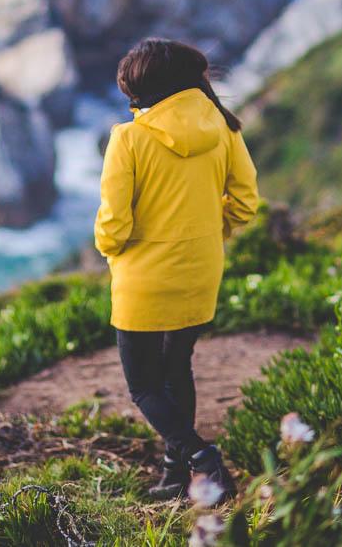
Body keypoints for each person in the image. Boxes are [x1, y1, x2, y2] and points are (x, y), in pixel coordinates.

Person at [94, 37, 259, 502]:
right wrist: (207, 232)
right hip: (201, 270)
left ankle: (201, 458)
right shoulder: (225, 128)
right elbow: (245, 204)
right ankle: (177, 475)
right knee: (176, 367)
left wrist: (111, 251)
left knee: (143, 386)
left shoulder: (128, 138)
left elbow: (114, 223)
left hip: (143, 278)